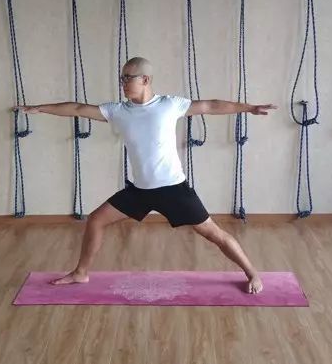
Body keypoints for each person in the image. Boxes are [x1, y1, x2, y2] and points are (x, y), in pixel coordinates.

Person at [16, 57, 277, 294]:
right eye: (121, 78)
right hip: (139, 191)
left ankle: (252, 273)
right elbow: (77, 108)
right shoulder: (117, 111)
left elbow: (210, 105)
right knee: (95, 220)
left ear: (146, 79)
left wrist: (249, 108)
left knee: (213, 234)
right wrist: (40, 108)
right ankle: (81, 273)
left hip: (173, 189)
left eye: (127, 78)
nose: (123, 83)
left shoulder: (169, 105)